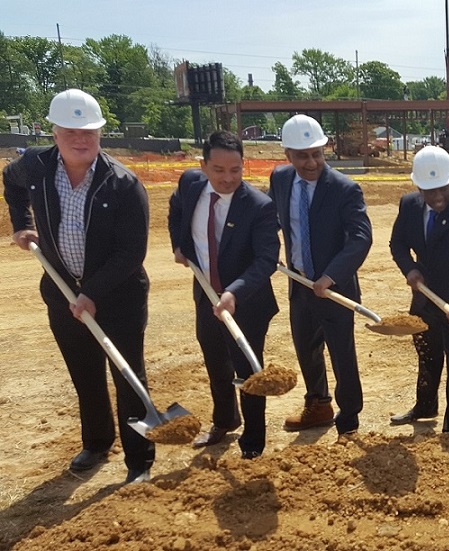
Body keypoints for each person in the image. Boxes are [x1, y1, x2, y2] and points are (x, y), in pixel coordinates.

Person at [3, 89, 155, 483]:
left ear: (100, 133)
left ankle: (139, 459)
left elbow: (130, 253)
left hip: (119, 295)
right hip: (61, 293)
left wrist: (92, 293)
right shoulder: (35, 166)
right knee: (84, 372)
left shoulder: (123, 184)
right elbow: (10, 179)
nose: (80, 139)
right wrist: (22, 222)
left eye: (89, 131)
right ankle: (97, 442)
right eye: (70, 130)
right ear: (54, 132)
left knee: (128, 375)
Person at [167, 131, 279, 459]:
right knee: (216, 363)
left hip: (247, 302)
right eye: (219, 170)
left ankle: (253, 441)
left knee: (249, 373)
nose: (228, 178)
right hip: (205, 294)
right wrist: (179, 244)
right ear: (203, 166)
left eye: (236, 170)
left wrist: (234, 292)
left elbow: (266, 260)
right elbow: (176, 210)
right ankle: (225, 420)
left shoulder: (259, 206)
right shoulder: (190, 185)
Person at [268, 115, 372, 435]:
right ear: (287, 154)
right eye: (302, 155)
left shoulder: (344, 189)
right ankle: (318, 405)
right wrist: (265, 250)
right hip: (299, 284)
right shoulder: (281, 179)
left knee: (342, 355)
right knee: (306, 348)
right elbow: (268, 219)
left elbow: (360, 238)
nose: (311, 162)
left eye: (317, 153)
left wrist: (330, 275)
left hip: (333, 288)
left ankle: (349, 418)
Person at [389, 146, 449, 433]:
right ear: (417, 186)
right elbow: (397, 244)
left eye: (443, 188)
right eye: (430, 191)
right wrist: (411, 269)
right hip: (424, 301)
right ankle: (425, 405)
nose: (439, 197)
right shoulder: (408, 205)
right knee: (427, 356)